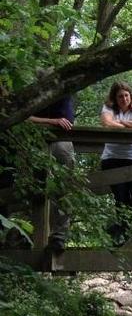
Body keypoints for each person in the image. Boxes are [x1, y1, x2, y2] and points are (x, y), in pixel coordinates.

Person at [99, 81, 132, 246]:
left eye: (126, 95)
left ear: (131, 96)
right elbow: (107, 123)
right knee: (120, 198)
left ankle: (120, 228)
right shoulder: (108, 108)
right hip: (112, 159)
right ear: (115, 98)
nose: (124, 98)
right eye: (120, 96)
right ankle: (121, 233)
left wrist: (120, 123)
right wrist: (130, 125)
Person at [28, 95, 76, 252]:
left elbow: (67, 121)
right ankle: (32, 237)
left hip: (60, 141)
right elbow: (25, 118)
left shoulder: (64, 97)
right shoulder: (34, 97)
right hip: (37, 143)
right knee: (37, 189)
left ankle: (58, 237)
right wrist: (51, 121)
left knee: (62, 190)